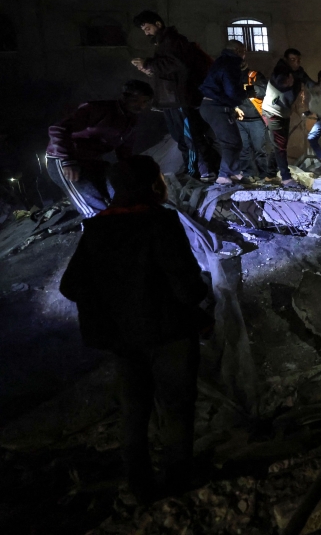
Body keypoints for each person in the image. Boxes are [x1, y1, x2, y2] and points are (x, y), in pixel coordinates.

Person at [59, 155, 212, 502]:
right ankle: (176, 480)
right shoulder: (160, 222)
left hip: (123, 339)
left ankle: (139, 483)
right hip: (167, 333)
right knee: (175, 406)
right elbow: (187, 287)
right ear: (151, 183)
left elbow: (71, 285)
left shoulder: (98, 227)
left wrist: (112, 301)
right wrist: (200, 294)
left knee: (134, 409)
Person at [45, 80, 155, 217]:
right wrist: (67, 161)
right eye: (136, 100)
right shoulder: (98, 109)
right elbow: (58, 129)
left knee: (119, 192)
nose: (140, 106)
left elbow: (124, 152)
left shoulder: (131, 121)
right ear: (124, 97)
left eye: (145, 102)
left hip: (92, 161)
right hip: (64, 160)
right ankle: (99, 228)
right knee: (94, 203)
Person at [131, 11, 217, 181]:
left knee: (190, 138)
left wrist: (148, 63)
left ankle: (200, 172)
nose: (146, 32)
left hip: (180, 100)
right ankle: (194, 170)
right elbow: (169, 71)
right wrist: (150, 69)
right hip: (171, 100)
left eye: (148, 28)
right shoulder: (163, 43)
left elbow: (176, 65)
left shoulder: (173, 41)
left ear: (158, 24)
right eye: (144, 30)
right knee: (182, 139)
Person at [198, 40, 248, 184]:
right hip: (216, 107)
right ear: (238, 50)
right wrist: (243, 96)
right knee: (230, 142)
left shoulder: (221, 61)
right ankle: (224, 175)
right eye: (244, 52)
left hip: (210, 106)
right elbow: (231, 90)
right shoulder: (232, 63)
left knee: (235, 141)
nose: (245, 55)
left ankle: (234, 172)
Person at [262, 61, 299, 186]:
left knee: (278, 144)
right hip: (272, 113)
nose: (297, 63)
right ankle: (286, 177)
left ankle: (270, 175)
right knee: (279, 146)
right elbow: (288, 99)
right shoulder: (278, 80)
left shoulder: (294, 75)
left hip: (283, 114)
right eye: (293, 60)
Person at [235, 71, 270, 179]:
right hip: (240, 121)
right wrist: (235, 108)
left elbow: (265, 91)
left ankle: (264, 175)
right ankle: (248, 174)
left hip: (256, 120)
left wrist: (250, 88)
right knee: (244, 149)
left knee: (259, 149)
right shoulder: (232, 76)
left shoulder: (255, 75)